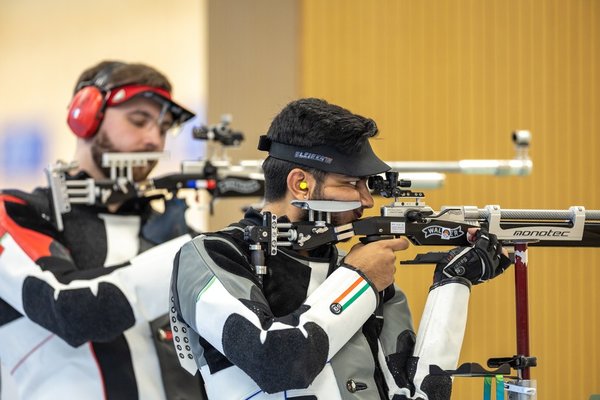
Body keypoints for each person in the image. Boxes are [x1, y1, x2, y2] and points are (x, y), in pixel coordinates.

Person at [170, 98, 512, 400]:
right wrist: (359, 280)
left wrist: (453, 284)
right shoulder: (211, 256)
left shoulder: (354, 270)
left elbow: (421, 392)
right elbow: (276, 362)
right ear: (300, 183)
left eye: (368, 186)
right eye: (351, 183)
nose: (366, 200)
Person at [0, 60, 207, 399]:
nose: (153, 139)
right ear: (85, 116)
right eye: (139, 120)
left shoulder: (170, 232)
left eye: (164, 127)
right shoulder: (17, 212)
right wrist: (196, 255)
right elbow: (69, 309)